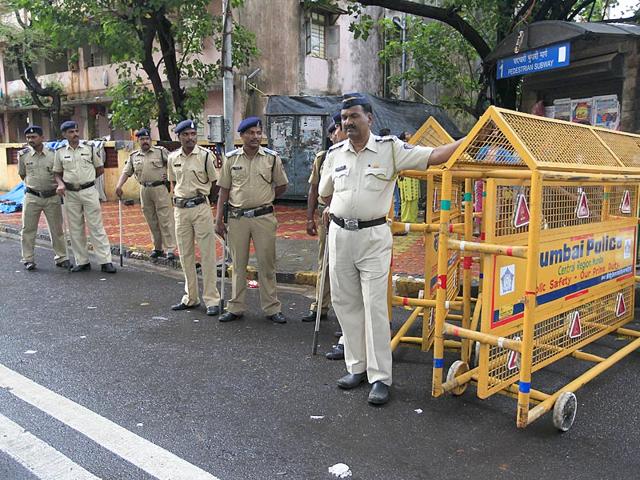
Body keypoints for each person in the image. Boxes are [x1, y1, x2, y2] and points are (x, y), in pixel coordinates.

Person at [318, 93, 464, 405]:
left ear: (369, 118)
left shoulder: (390, 150)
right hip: (340, 235)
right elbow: (324, 192)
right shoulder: (335, 154)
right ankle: (356, 368)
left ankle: (380, 378)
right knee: (346, 304)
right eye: (344, 118)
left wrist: (467, 141)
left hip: (373, 237)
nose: (348, 123)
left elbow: (434, 155)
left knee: (374, 307)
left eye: (354, 116)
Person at [215, 116, 289, 324]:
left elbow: (282, 185)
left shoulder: (271, 158)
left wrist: (267, 198)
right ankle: (235, 307)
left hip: (264, 218)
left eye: (258, 133)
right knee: (238, 265)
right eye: (251, 133)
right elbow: (224, 191)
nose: (255, 137)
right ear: (242, 135)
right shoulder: (231, 159)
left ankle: (272, 308)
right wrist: (219, 219)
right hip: (237, 219)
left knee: (267, 264)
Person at [168, 120, 221, 316]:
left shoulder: (206, 156)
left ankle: (212, 299)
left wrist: (210, 203)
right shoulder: (172, 158)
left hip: (200, 207)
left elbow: (215, 183)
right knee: (185, 254)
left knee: (207, 254)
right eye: (186, 135)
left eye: (193, 134)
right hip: (181, 210)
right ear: (179, 136)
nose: (190, 138)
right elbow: (173, 183)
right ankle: (190, 297)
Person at [53, 120, 116, 273]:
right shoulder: (60, 152)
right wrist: (61, 184)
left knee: (96, 226)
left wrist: (86, 180)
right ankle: (82, 261)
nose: (75, 134)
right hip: (70, 193)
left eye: (76, 131)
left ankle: (105, 261)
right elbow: (57, 173)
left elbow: (99, 168)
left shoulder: (89, 148)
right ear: (64, 135)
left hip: (89, 191)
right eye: (71, 132)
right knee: (75, 228)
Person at [302, 112, 345, 323]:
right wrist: (309, 218)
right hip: (326, 217)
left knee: (346, 267)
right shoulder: (323, 157)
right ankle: (320, 305)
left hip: (350, 218)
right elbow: (314, 189)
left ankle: (346, 315)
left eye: (340, 128)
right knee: (325, 262)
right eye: (335, 130)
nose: (337, 133)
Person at [115, 128, 176, 260]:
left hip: (160, 188)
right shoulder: (134, 156)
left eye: (147, 139)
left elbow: (174, 164)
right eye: (142, 139)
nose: (145, 141)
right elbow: (126, 172)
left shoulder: (160, 152)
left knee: (165, 219)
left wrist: (171, 179)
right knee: (151, 220)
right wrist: (119, 185)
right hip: (144, 190)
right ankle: (158, 248)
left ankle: (170, 248)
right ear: (138, 141)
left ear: (150, 140)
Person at [18, 125, 70, 271]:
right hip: (32, 196)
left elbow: (60, 173)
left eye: (34, 137)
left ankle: (62, 257)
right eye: (28, 137)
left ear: (42, 138)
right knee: (28, 229)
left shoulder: (53, 154)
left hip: (52, 196)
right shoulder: (23, 155)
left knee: (57, 229)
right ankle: (28, 259)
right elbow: (22, 174)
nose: (30, 140)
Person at [398, 131, 420, 225]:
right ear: (403, 137)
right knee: (406, 199)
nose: (410, 135)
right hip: (404, 175)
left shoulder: (414, 145)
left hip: (414, 176)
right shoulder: (400, 146)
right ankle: (405, 220)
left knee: (414, 199)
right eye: (407, 134)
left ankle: (413, 220)